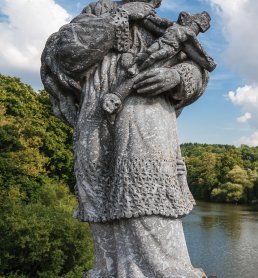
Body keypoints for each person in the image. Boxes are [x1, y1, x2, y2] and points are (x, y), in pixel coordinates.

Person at [40, 0, 212, 277]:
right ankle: (110, 271)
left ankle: (169, 272)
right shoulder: (93, 16)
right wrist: (120, 17)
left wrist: (176, 77)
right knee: (102, 202)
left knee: (152, 201)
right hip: (97, 125)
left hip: (148, 121)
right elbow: (67, 58)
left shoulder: (162, 27)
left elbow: (199, 70)